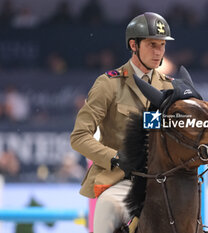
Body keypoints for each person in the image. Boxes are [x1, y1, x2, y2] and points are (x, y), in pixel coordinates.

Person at [70, 12, 174, 233]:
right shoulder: (109, 84)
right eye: (152, 44)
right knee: (108, 206)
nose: (158, 52)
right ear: (133, 45)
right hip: (123, 178)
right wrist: (116, 158)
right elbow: (79, 137)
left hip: (163, 179)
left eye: (162, 45)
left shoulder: (169, 88)